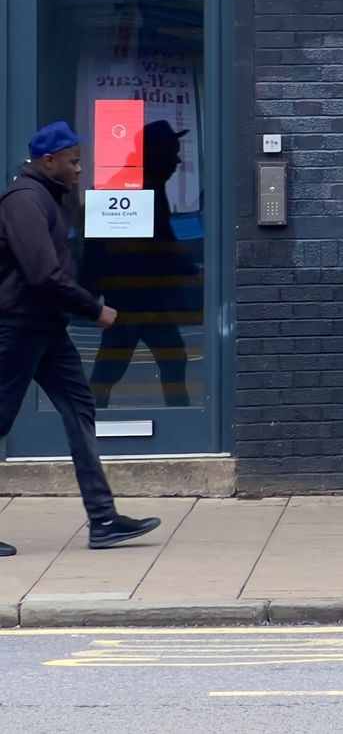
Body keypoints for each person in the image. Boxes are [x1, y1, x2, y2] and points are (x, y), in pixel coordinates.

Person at [0, 123, 161, 556]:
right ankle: (105, 518)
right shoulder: (25, 201)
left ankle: (104, 520)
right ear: (47, 161)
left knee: (80, 410)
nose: (79, 168)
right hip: (16, 327)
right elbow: (42, 273)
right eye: (72, 161)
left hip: (46, 329)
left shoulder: (48, 198)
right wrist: (93, 307)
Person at [86, 120, 195, 407]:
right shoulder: (129, 191)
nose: (177, 160)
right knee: (158, 359)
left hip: (139, 299)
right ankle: (181, 424)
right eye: (172, 153)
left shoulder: (147, 188)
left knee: (126, 363)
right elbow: (106, 250)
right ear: (156, 155)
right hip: (137, 301)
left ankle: (90, 417)